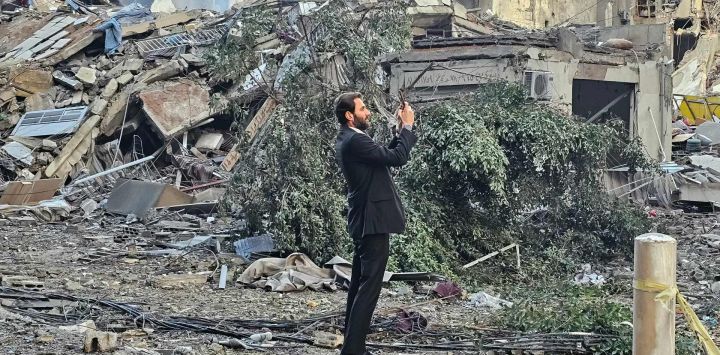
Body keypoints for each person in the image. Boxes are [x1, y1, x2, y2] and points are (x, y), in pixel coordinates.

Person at [334, 92, 417, 355]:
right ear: (350, 115)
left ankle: (353, 346)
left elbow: (385, 155)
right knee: (369, 287)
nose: (368, 112)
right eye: (363, 108)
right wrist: (409, 126)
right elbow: (397, 158)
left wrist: (399, 131)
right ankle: (353, 351)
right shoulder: (355, 141)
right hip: (371, 222)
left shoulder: (352, 139)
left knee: (361, 284)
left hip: (366, 220)